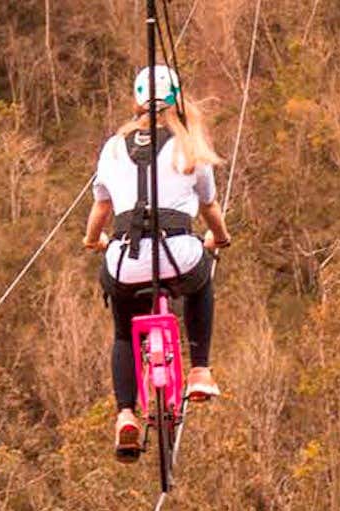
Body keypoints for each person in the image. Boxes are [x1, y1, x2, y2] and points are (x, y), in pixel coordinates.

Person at [82, 66, 232, 463]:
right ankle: (200, 369)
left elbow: (101, 207)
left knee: (122, 332)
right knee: (201, 285)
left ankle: (125, 413)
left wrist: (92, 239)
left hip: (125, 260)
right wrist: (220, 237)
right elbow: (208, 206)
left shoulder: (114, 147)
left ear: (136, 100)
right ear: (177, 99)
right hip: (178, 253)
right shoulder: (189, 144)